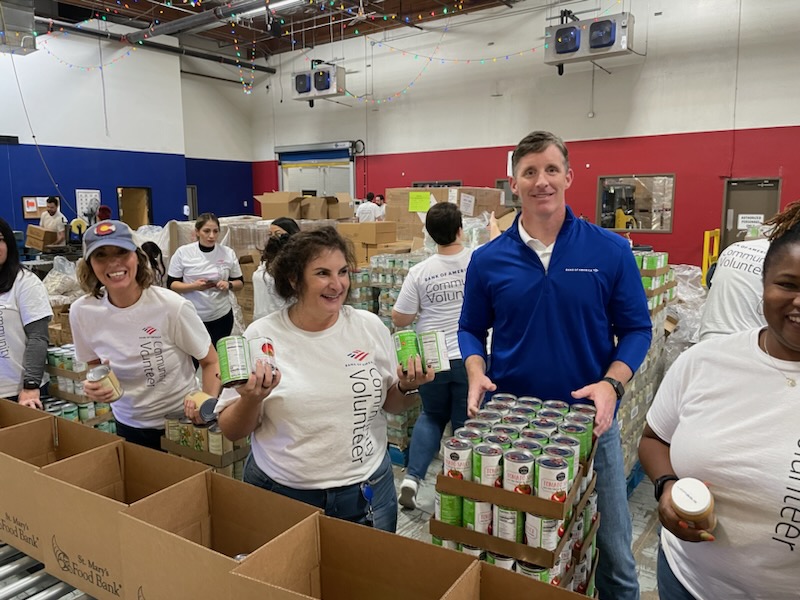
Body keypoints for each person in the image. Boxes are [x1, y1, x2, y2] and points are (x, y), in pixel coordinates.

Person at [458, 131, 651, 600]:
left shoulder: (609, 251)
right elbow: (469, 329)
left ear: (568, 175)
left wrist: (612, 383)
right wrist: (474, 367)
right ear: (514, 182)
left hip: (590, 426)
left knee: (618, 560)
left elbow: (638, 330)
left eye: (550, 169)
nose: (541, 181)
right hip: (510, 429)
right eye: (529, 172)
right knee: (511, 550)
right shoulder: (486, 260)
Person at [215, 226, 433, 532]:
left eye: (342, 271)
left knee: (369, 578)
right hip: (282, 494)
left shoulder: (369, 327)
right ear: (294, 279)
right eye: (322, 273)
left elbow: (391, 405)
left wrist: (409, 386)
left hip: (367, 493)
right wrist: (252, 398)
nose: (337, 284)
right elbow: (231, 429)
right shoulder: (262, 336)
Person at [638, 200, 800, 600]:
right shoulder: (704, 362)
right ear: (763, 286)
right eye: (788, 285)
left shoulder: (730, 254)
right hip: (683, 580)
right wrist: (666, 486)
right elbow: (654, 438)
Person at [71, 220, 220, 449]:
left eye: (122, 252)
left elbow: (211, 361)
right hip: (126, 423)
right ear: (89, 265)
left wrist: (206, 402)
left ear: (137, 258)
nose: (113, 262)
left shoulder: (171, 306)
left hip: (180, 423)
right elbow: (94, 363)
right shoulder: (82, 312)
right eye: (100, 255)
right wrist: (96, 386)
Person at [393, 202, 472, 509]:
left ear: (429, 235)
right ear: (460, 230)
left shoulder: (420, 271)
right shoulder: (477, 261)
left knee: (431, 415)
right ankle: (460, 491)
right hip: (471, 355)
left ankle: (412, 478)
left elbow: (400, 318)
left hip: (433, 355)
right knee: (465, 424)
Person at [167, 213, 244, 349]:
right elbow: (172, 284)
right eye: (206, 231)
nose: (212, 236)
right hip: (193, 316)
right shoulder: (183, 253)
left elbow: (240, 283)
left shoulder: (227, 253)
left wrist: (229, 284)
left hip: (222, 315)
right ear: (197, 232)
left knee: (218, 357)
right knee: (196, 357)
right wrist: (193, 286)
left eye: (215, 231)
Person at [0, 217, 52, 409]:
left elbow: (38, 337)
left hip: (19, 393)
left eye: (0, 239)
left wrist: (30, 386)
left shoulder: (25, 283)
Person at [698, 236, 770, 341]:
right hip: (749, 345)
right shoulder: (784, 257)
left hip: (708, 337)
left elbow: (711, 281)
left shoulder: (734, 248)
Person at [253, 217, 300, 320]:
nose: (273, 238)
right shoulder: (266, 259)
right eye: (270, 235)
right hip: (263, 317)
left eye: (278, 234)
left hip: (284, 318)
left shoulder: (296, 261)